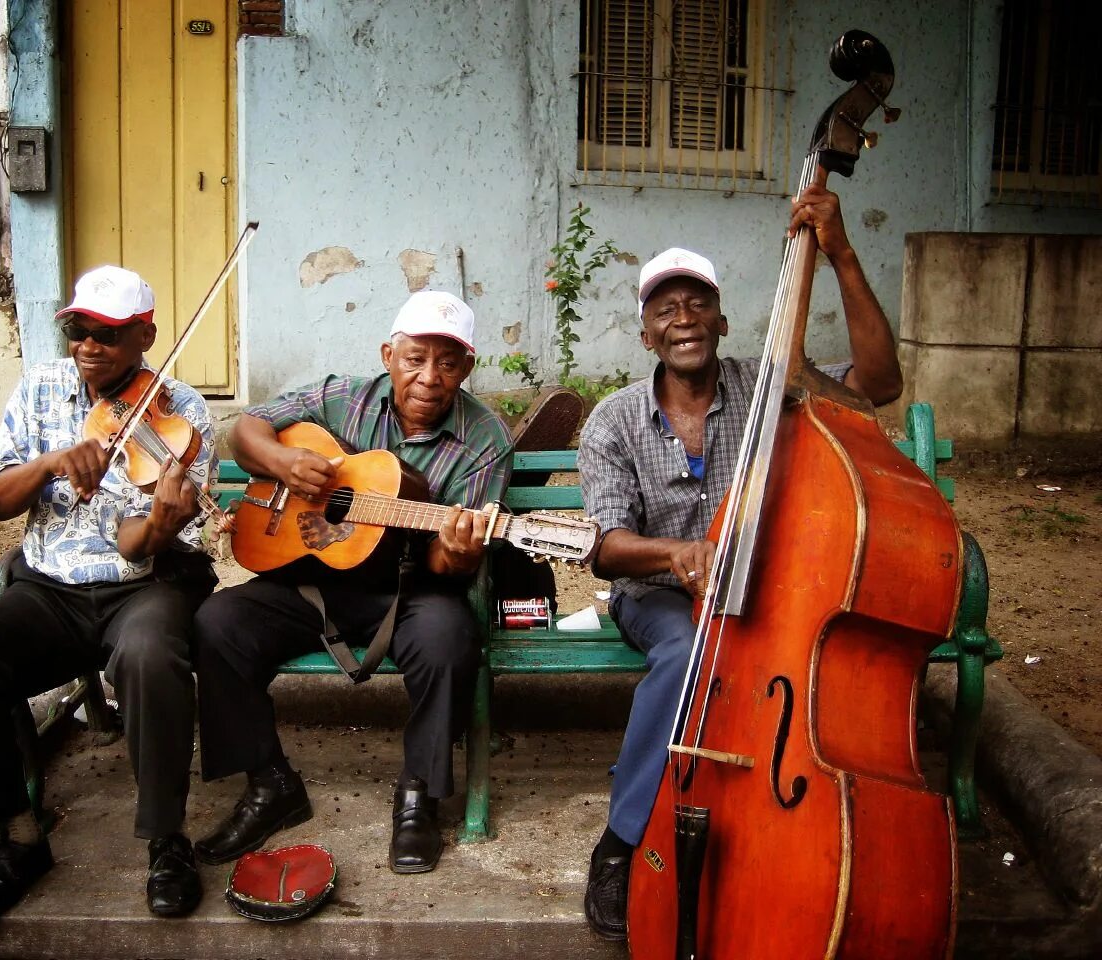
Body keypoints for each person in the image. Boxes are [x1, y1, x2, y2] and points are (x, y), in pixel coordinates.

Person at [577, 185, 904, 940]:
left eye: (697, 303)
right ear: (645, 333)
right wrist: (677, 553)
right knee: (689, 650)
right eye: (664, 308)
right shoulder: (615, 419)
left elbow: (879, 385)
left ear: (721, 320)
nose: (683, 317)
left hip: (764, 592)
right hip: (657, 596)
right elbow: (604, 546)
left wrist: (842, 252)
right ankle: (621, 844)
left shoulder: (772, 390)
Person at [0, 265, 219, 926]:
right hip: (48, 588)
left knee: (149, 655)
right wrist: (53, 461)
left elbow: (139, 546)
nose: (89, 346)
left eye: (108, 335)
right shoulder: (39, 389)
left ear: (147, 334)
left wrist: (163, 521)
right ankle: (19, 835)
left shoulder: (182, 412)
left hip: (140, 585)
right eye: (78, 330)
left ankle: (165, 840)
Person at [193, 289, 512, 875]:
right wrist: (282, 462)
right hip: (313, 580)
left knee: (450, 640)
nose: (429, 377)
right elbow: (247, 428)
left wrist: (458, 553)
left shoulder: (485, 440)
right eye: (415, 358)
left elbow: (449, 566)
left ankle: (419, 796)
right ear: (388, 354)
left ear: (466, 368)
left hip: (410, 588)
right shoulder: (341, 396)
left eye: (447, 363)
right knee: (217, 623)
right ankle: (269, 785)